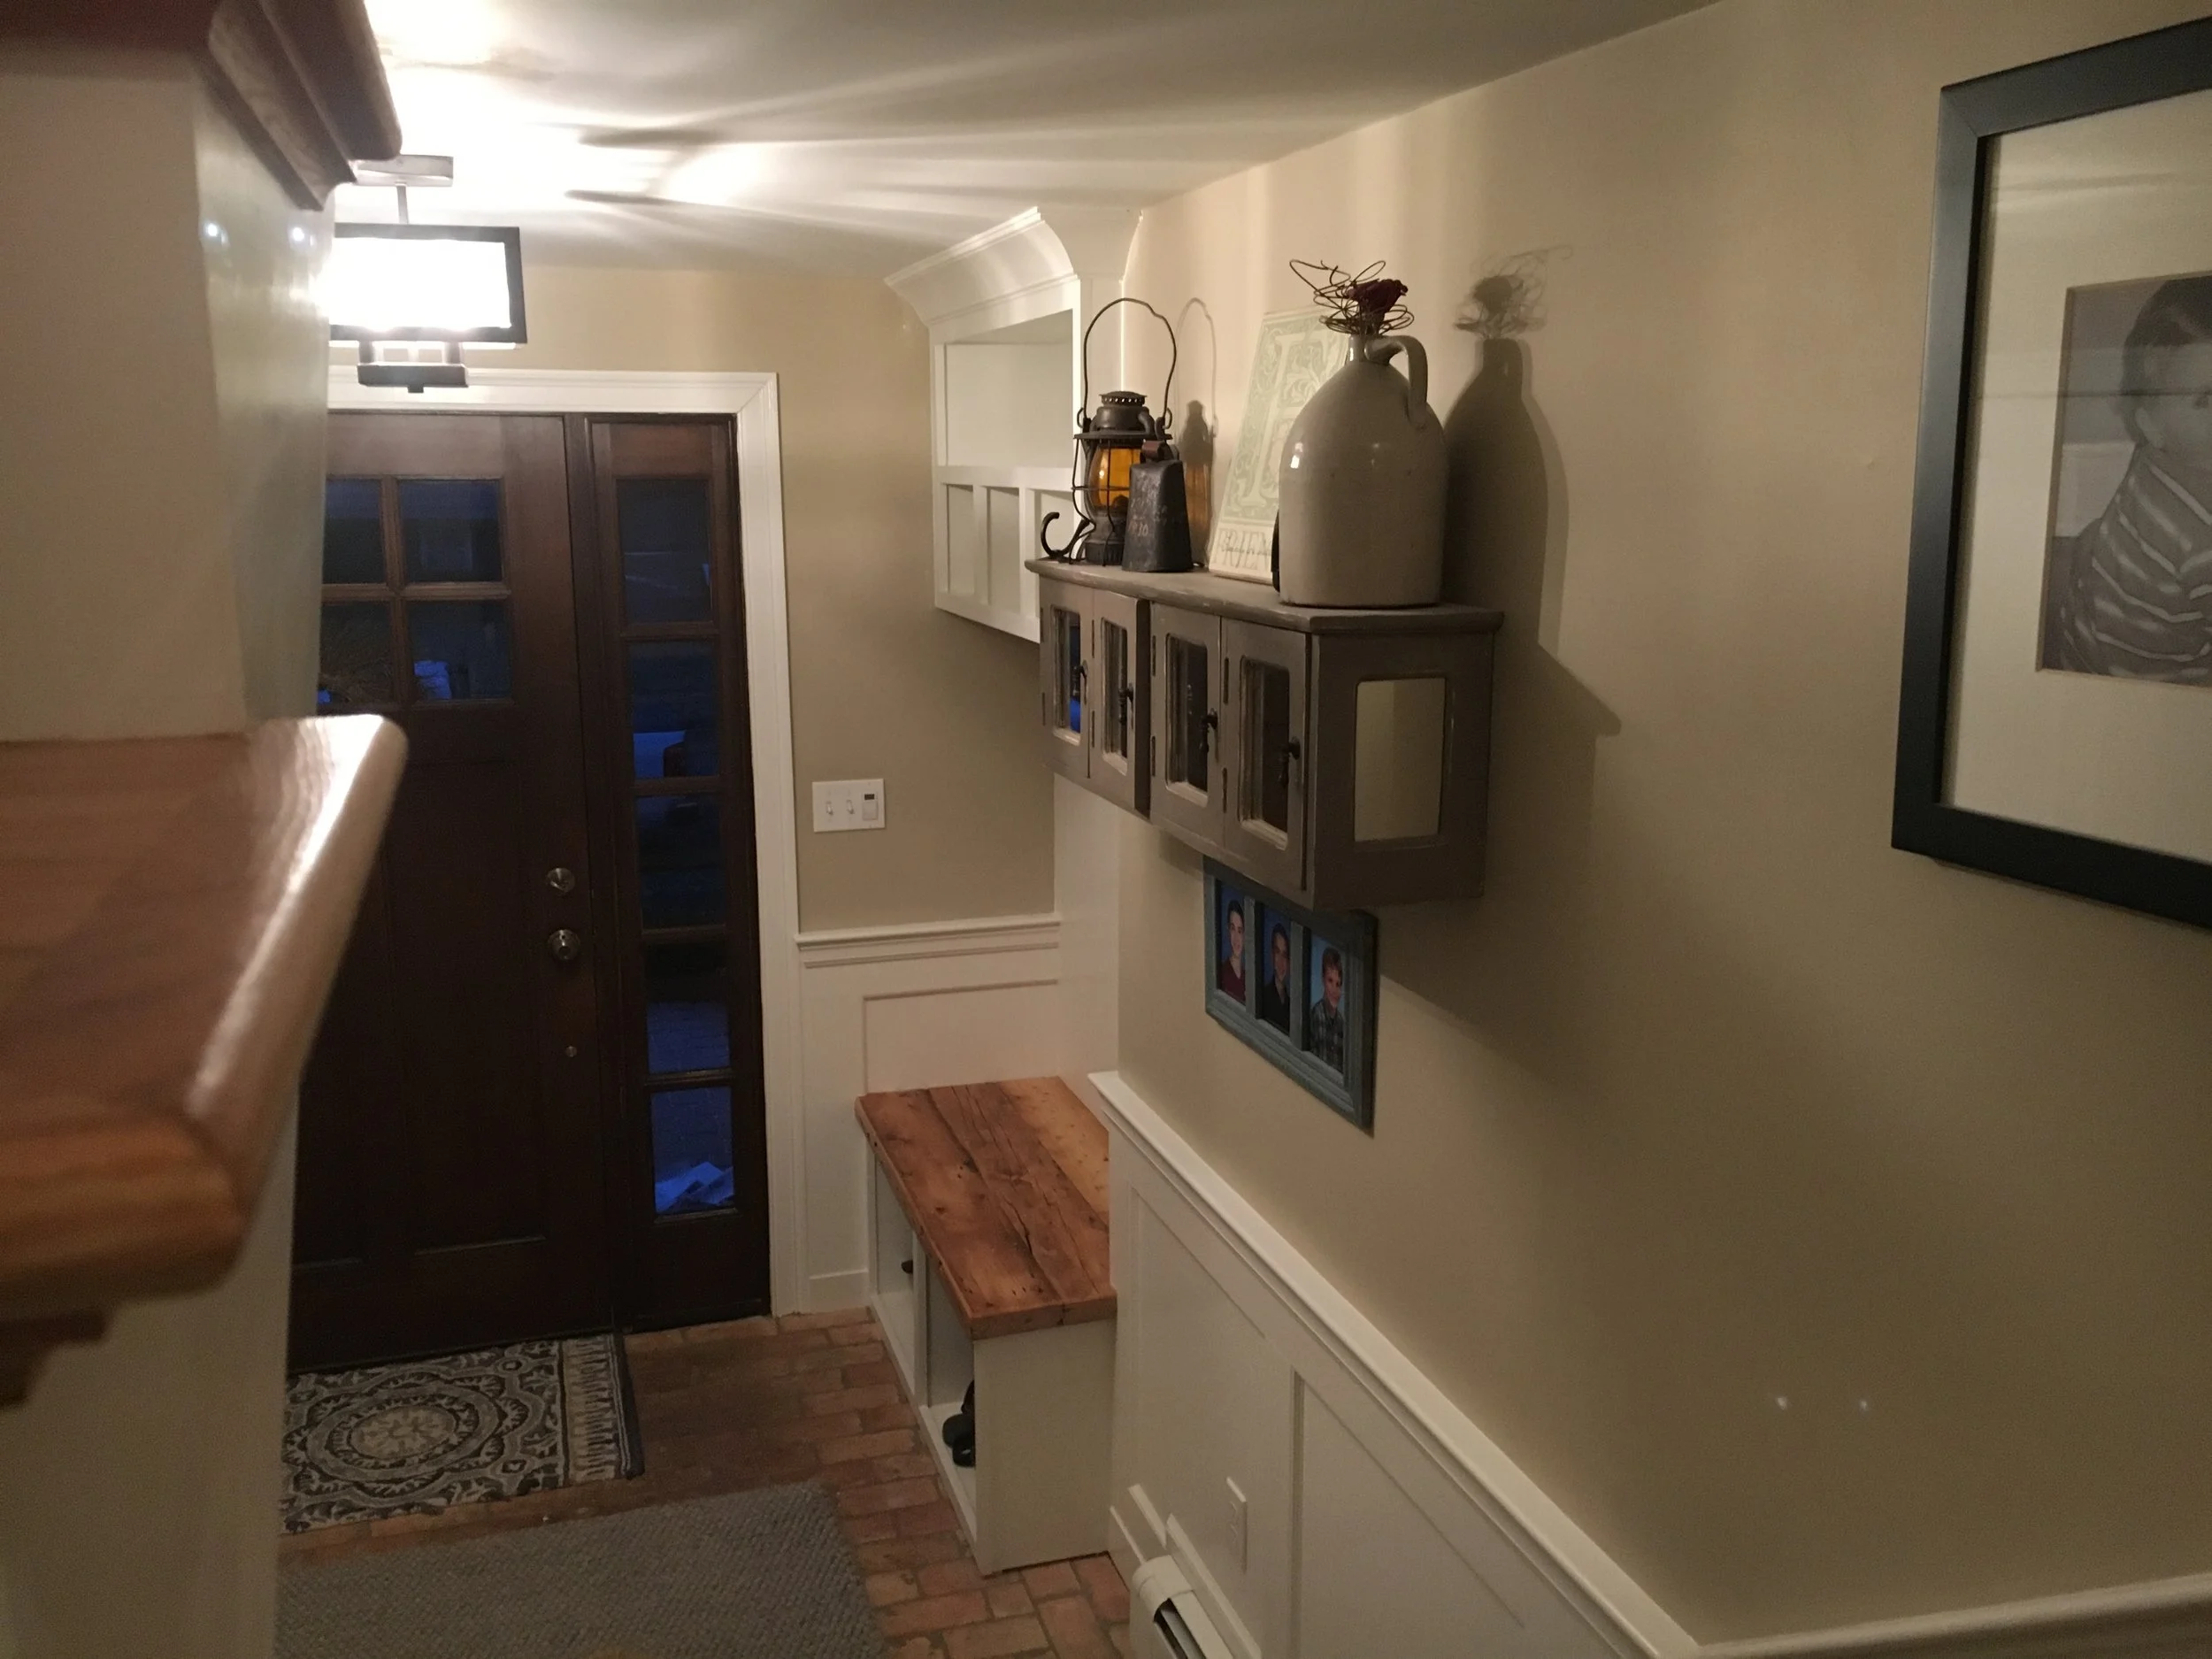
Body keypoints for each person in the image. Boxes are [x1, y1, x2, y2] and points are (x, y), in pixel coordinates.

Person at [2047, 273, 2212, 684]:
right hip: (2153, 689)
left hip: (2084, 645)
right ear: (2152, 426)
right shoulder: (2204, 531)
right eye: (2208, 399)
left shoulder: (2156, 456)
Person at [1306, 945, 1346, 1071]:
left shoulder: (1342, 1023)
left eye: (1338, 984)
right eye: (1330, 981)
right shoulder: (1316, 1014)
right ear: (1323, 979)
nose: (1334, 990)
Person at [1256, 921, 1294, 1032]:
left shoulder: (1291, 1005)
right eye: (1277, 952)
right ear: (1272, 955)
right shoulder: (1263, 996)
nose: (1281, 961)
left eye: (1285, 954)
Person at [1217, 900, 1246, 999]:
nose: (1236, 938)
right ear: (1228, 930)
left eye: (1240, 931)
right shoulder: (1221, 973)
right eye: (1233, 929)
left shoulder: (1249, 979)